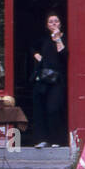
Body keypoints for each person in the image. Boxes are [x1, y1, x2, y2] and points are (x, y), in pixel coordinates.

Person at [31, 13, 67, 148]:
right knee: (40, 108)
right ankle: (42, 139)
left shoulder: (63, 38)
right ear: (47, 25)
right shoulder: (43, 39)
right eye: (51, 22)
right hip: (43, 78)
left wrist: (58, 39)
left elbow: (64, 55)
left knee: (54, 109)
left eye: (56, 21)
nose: (53, 24)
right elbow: (32, 47)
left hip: (57, 79)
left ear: (60, 24)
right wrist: (37, 56)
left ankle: (57, 140)